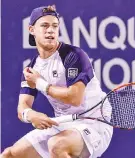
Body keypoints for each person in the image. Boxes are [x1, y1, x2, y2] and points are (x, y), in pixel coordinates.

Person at [1, 5, 113, 158]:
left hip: (95, 124)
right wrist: (31, 115)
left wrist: (40, 83)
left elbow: (75, 98)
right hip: (64, 124)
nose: (50, 30)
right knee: (9, 155)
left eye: (55, 26)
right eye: (44, 25)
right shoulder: (33, 68)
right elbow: (22, 107)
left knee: (57, 145)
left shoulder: (74, 55)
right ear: (31, 29)